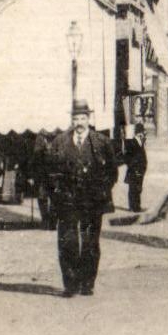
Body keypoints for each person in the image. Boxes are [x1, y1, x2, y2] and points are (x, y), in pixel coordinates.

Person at [47, 100, 117, 297]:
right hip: (67, 201)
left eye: (83, 118)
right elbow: (50, 171)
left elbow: (112, 171)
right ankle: (70, 284)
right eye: (76, 118)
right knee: (67, 241)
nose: (79, 122)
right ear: (72, 119)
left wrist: (102, 190)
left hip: (92, 201)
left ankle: (87, 283)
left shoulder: (101, 142)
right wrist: (57, 192)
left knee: (90, 242)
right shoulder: (60, 142)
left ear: (89, 119)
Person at [124, 124, 148, 214]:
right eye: (142, 132)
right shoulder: (131, 142)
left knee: (138, 188)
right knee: (133, 188)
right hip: (134, 170)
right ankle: (134, 207)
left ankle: (136, 206)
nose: (143, 134)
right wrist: (134, 167)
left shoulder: (140, 141)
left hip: (140, 169)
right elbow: (127, 157)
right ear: (139, 132)